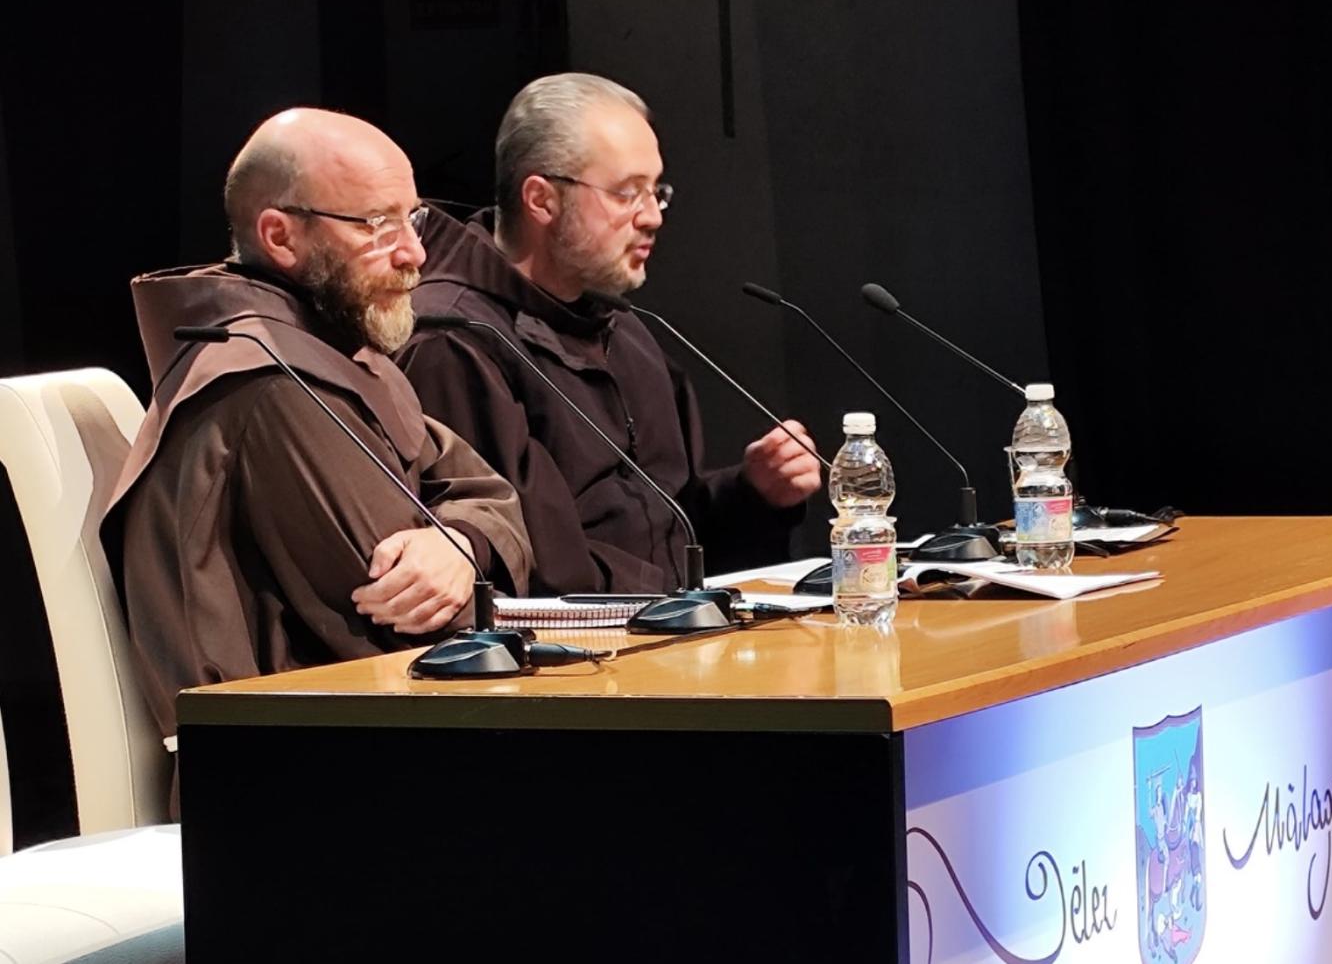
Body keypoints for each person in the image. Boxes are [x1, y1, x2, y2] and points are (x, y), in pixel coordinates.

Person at [102, 108, 533, 745]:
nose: (415, 253)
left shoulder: (334, 352)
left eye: (410, 219)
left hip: (374, 731)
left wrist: (461, 543)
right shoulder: (272, 381)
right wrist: (469, 563)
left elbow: (489, 493)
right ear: (279, 236)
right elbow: (420, 623)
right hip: (302, 766)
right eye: (377, 224)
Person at [397, 73, 822, 594]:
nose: (651, 218)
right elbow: (522, 566)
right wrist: (675, 606)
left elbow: (665, 530)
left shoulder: (625, 331)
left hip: (668, 641)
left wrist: (752, 494)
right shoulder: (454, 343)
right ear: (541, 200)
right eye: (626, 193)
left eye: (656, 191)